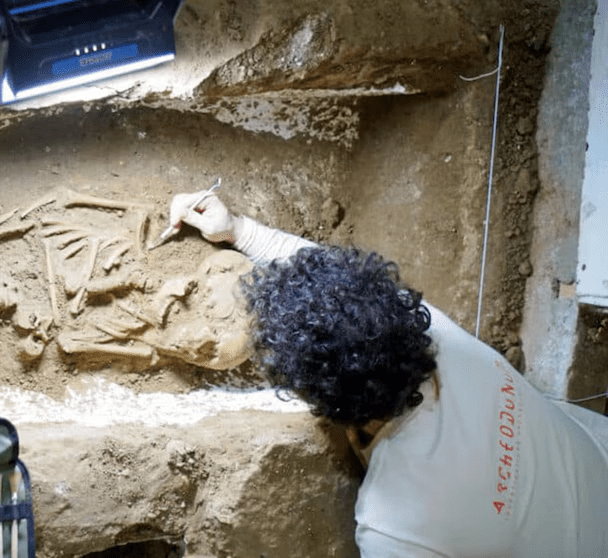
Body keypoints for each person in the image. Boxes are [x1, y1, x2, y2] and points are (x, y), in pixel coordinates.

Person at [169, 188, 608, 557]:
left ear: (323, 404)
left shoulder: (393, 529)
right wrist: (239, 230)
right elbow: (336, 285)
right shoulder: (436, 335)